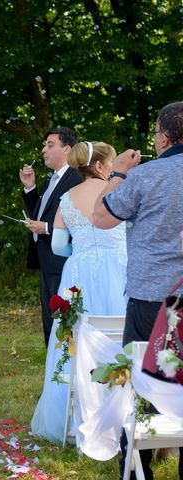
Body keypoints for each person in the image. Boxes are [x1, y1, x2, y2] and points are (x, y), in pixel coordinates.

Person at [93, 101, 183, 480]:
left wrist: (118, 172)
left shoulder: (145, 176)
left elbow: (101, 217)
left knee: (140, 384)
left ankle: (136, 469)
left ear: (163, 138)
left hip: (153, 298)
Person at [31, 141, 127, 443]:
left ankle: (74, 416)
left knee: (77, 337)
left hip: (79, 274)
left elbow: (58, 246)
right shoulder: (115, 191)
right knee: (120, 332)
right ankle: (122, 410)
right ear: (100, 166)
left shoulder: (67, 198)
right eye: (110, 162)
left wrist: (81, 250)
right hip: (118, 269)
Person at [20, 127, 82, 347]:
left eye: (50, 144)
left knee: (63, 319)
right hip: (46, 260)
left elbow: (79, 223)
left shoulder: (76, 179)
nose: (44, 149)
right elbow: (40, 211)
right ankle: (52, 369)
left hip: (62, 261)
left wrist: (46, 228)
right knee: (49, 319)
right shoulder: (51, 179)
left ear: (67, 149)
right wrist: (30, 188)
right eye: (44, 145)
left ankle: (65, 369)